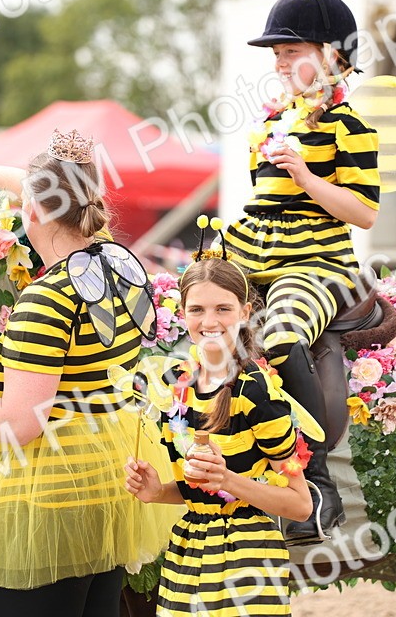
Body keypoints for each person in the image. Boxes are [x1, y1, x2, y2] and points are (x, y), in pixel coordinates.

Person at [0, 112, 178, 617]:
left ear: (31, 210)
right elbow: (49, 191)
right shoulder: (115, 264)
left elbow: (20, 424)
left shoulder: (44, 299)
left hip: (47, 502)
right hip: (106, 493)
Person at [221, 0, 380, 544]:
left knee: (282, 338)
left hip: (313, 261)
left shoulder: (350, 126)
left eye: (292, 51)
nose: (281, 62)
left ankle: (317, 486)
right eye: (276, 54)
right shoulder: (271, 122)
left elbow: (364, 212)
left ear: (334, 55)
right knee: (180, 318)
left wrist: (310, 178)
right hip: (250, 250)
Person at [125, 256, 315, 616]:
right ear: (182, 313)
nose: (209, 322)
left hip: (246, 557)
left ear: (245, 312)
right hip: (188, 551)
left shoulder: (258, 392)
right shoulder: (177, 384)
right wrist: (156, 492)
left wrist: (227, 478)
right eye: (197, 309)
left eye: (223, 309)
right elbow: (199, 490)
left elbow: (300, 504)